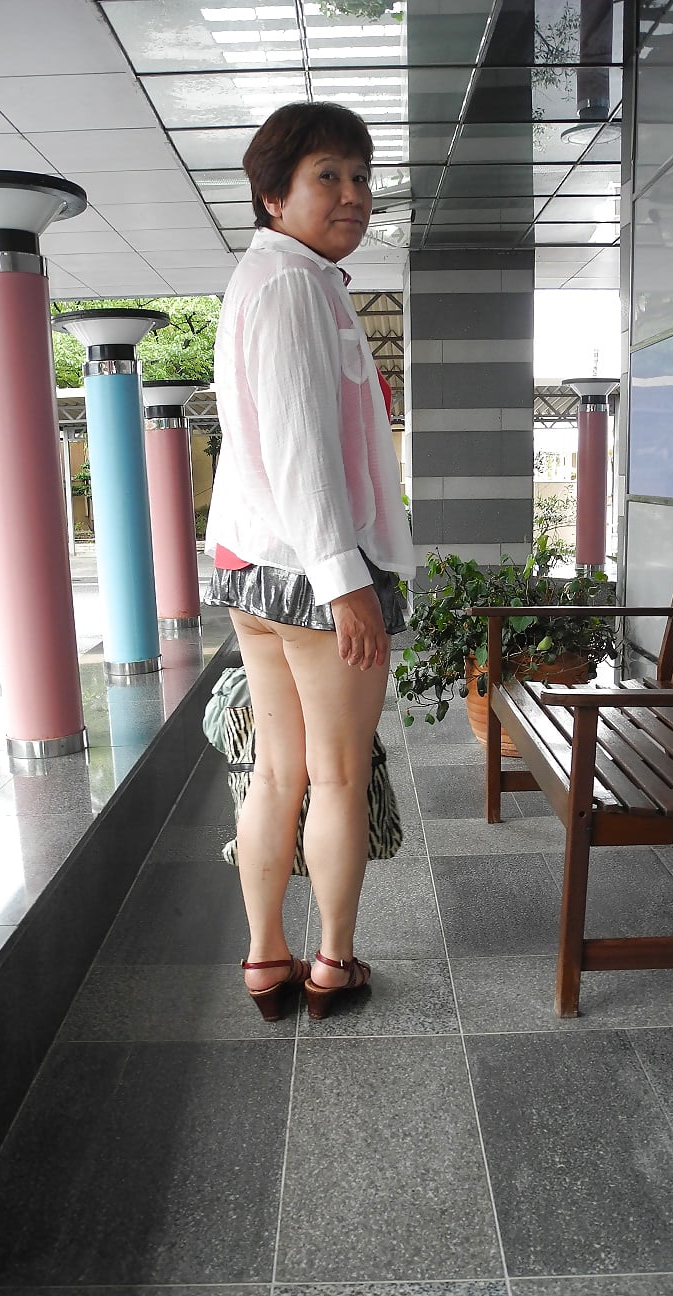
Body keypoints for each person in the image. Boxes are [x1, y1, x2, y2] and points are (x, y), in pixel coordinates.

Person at [204, 101, 416, 1021]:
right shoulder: (292, 285)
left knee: (278, 772)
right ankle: (332, 963)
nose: (353, 194)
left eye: (361, 176)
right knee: (335, 775)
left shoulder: (275, 278)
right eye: (327, 175)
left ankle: (264, 960)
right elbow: (301, 451)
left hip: (256, 566)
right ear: (272, 195)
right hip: (311, 570)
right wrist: (346, 582)